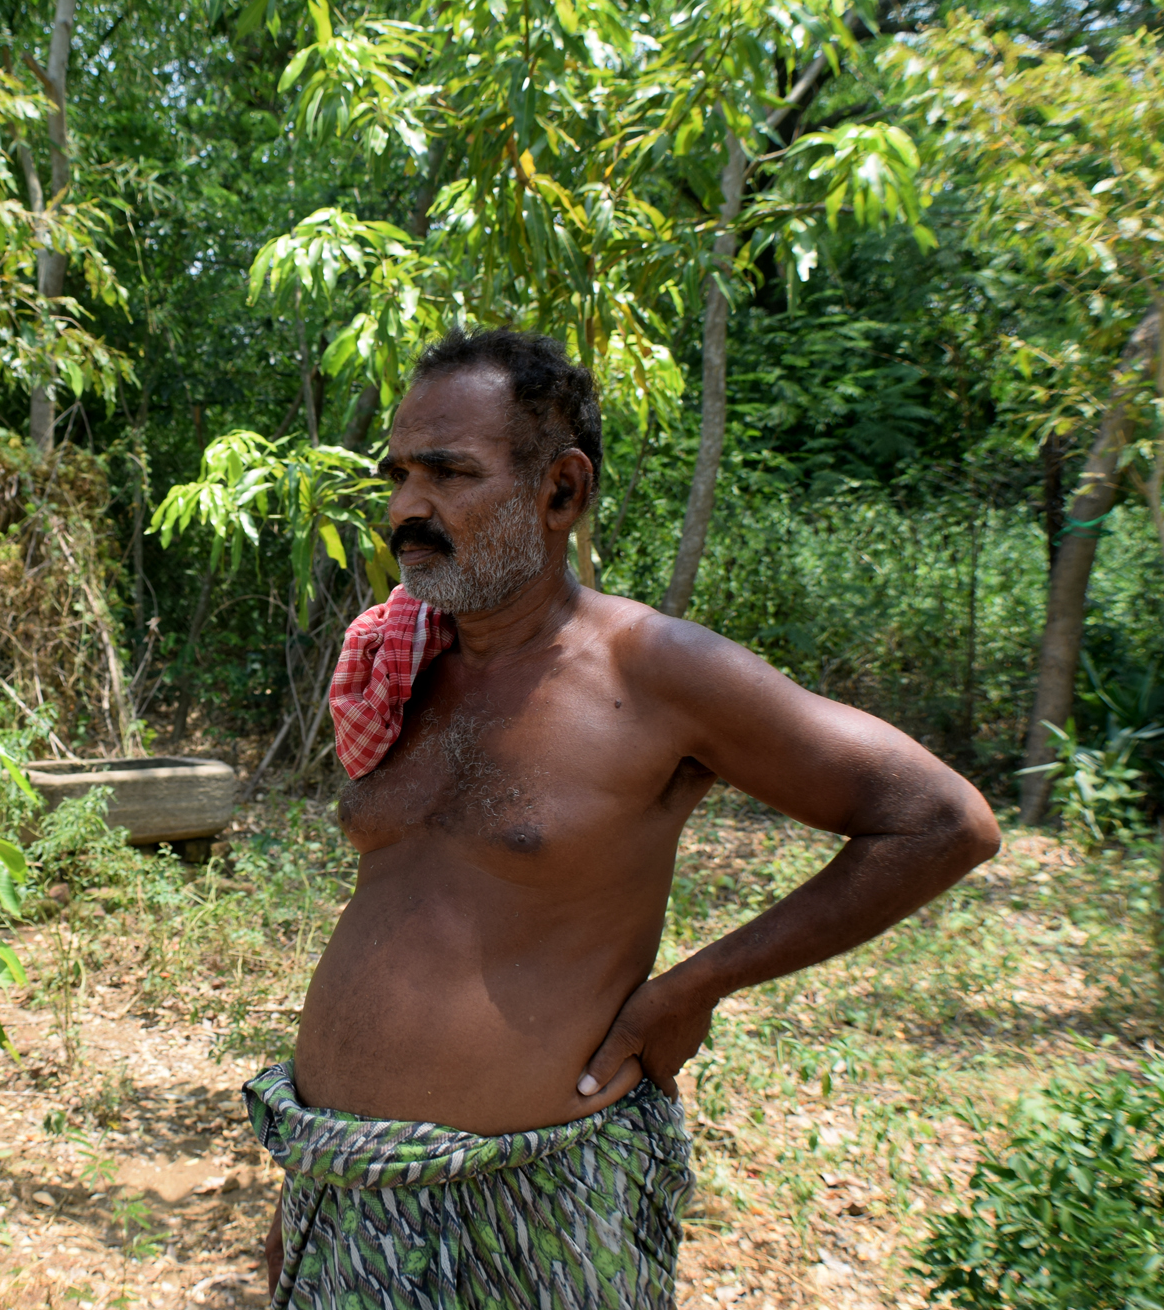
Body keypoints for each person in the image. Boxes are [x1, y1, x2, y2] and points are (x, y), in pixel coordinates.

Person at [245, 328, 1000, 1309]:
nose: (403, 510)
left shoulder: (650, 671)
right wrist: (313, 1191)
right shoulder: (400, 665)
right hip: (346, 1183)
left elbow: (942, 820)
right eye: (396, 474)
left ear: (559, 491)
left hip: (544, 1197)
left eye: (446, 475)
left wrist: (693, 988)